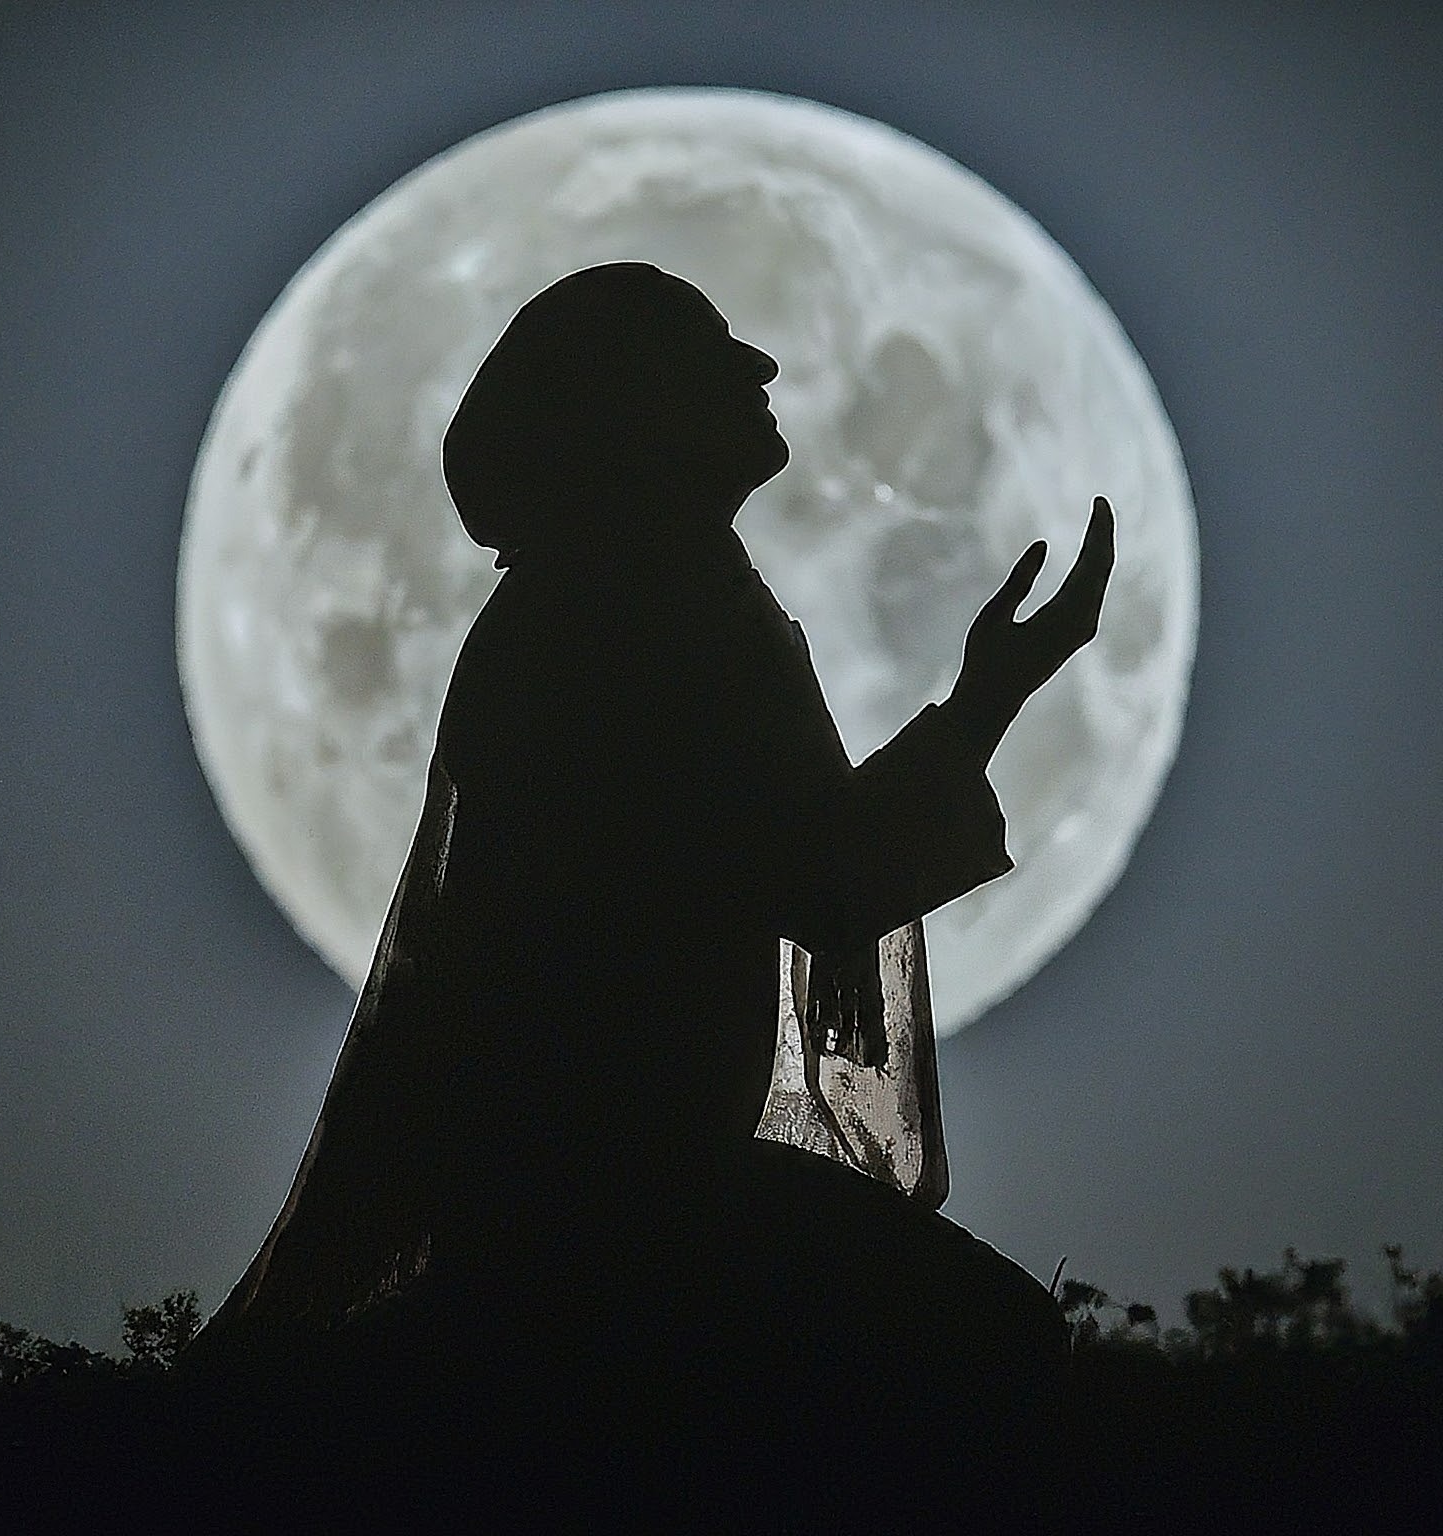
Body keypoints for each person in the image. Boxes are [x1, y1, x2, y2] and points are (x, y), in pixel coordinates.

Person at [192, 263, 1114, 1476]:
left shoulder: (639, 594)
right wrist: (988, 699)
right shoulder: (625, 608)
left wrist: (981, 702)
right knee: (982, 1356)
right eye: (711, 351)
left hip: (626, 1193)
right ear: (631, 411)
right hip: (603, 1213)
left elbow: (802, 859)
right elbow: (818, 873)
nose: (760, 369)